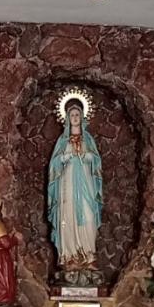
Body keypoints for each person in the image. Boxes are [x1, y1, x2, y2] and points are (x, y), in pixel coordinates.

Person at [46, 93, 102, 281]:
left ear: (83, 117)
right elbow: (54, 166)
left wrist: (89, 158)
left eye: (78, 114)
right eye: (72, 115)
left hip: (86, 186)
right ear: (67, 118)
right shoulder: (62, 142)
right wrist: (64, 158)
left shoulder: (89, 140)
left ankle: (88, 255)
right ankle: (69, 256)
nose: (75, 118)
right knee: (67, 217)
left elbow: (97, 163)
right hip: (67, 187)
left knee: (88, 216)